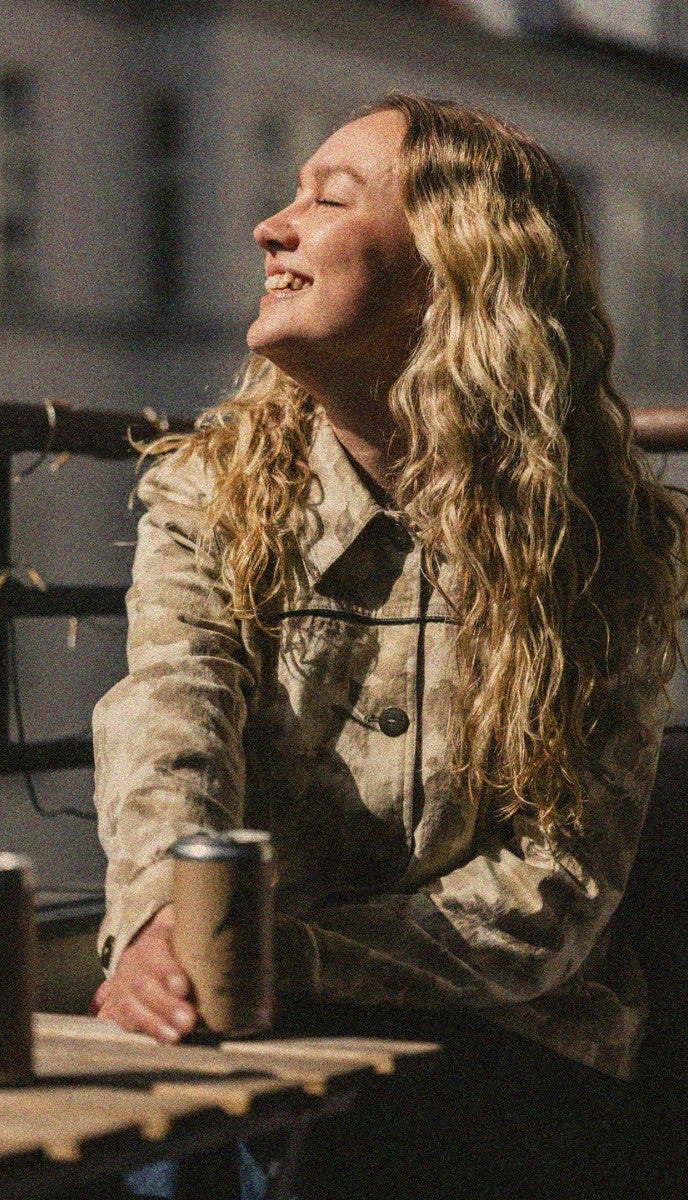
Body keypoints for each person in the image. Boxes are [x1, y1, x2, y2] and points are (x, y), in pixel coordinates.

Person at [90, 94, 687, 1198]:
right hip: (254, 1019)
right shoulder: (209, 491)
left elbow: (550, 897)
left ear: (448, 269)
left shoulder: (607, 541)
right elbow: (168, 714)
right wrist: (159, 925)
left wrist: (289, 957)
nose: (272, 226)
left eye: (328, 199)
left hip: (516, 1044)